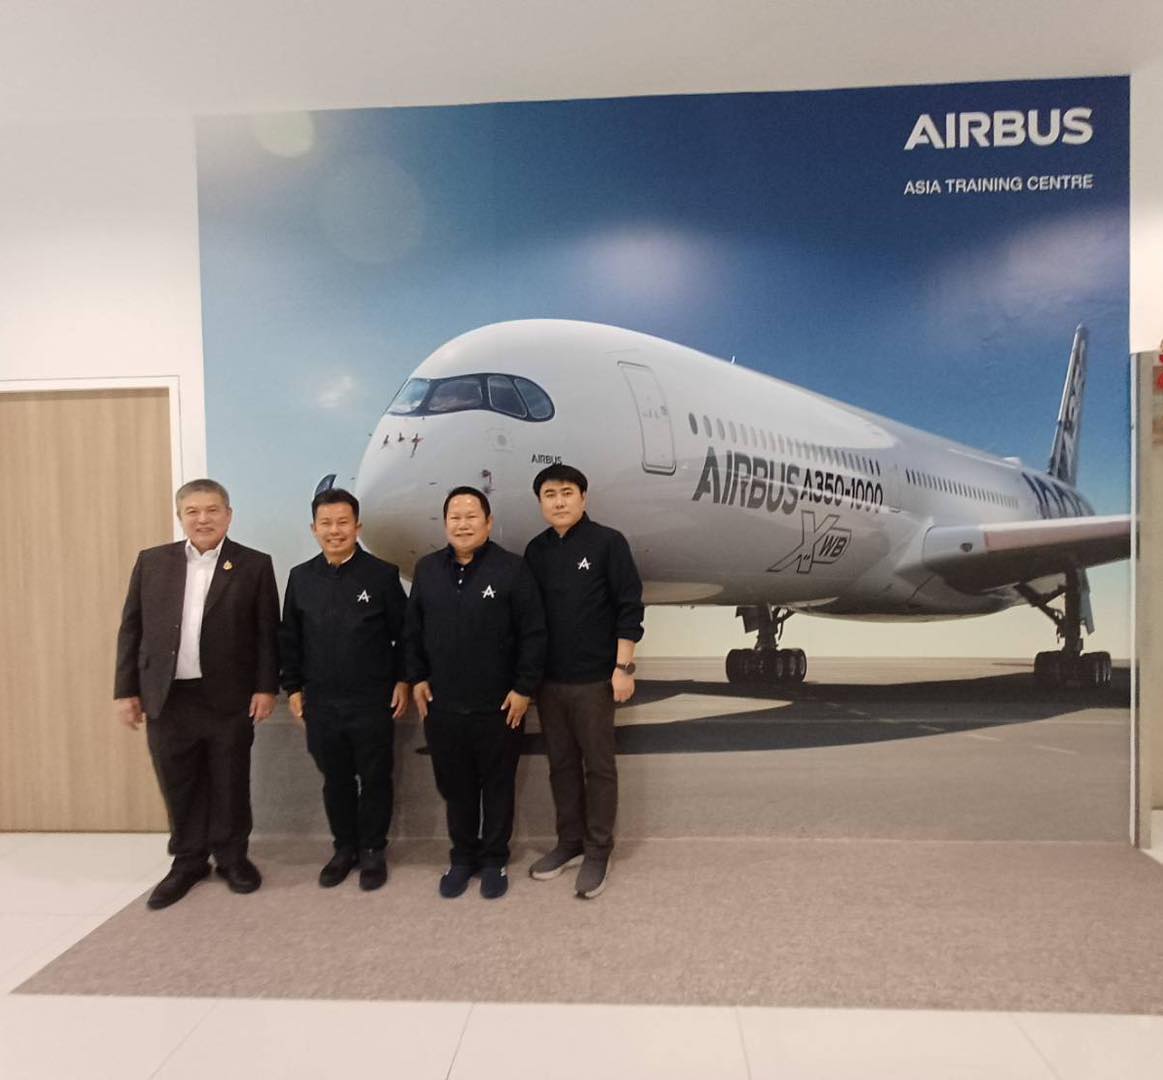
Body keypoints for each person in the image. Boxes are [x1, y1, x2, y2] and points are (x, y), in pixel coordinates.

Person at [114, 479, 279, 909]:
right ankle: (188, 861)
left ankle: (232, 858)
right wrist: (126, 690)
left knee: (230, 780)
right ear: (180, 516)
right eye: (192, 511)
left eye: (212, 510)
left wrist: (266, 687)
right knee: (178, 782)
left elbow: (267, 633)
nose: (202, 519)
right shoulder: (153, 562)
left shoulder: (254, 565)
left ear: (228, 515)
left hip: (229, 696)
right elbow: (132, 628)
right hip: (168, 697)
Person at [405, 486, 545, 899]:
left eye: (471, 516)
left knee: (498, 787)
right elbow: (412, 631)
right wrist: (417, 677)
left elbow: (533, 634)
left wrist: (523, 689)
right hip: (443, 706)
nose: (463, 524)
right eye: (455, 517)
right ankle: (462, 858)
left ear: (488, 522)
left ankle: (494, 859)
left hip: (500, 706)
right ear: (445, 523)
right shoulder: (427, 570)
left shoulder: (512, 569)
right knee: (456, 788)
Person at [279, 488, 409, 890]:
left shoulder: (382, 574)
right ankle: (344, 848)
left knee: (375, 778)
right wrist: (293, 688)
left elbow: (406, 634)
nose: (334, 531)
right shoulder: (301, 577)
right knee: (335, 779)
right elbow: (290, 638)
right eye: (326, 523)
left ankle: (372, 850)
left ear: (357, 527)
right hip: (321, 701)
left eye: (342, 522)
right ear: (314, 529)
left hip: (372, 699)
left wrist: (403, 680)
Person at [524, 464, 644, 899]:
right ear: (541, 502)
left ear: (583, 498)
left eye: (567, 493)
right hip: (549, 682)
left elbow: (629, 607)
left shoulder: (608, 543)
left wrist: (623, 668)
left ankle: (598, 850)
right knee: (561, 766)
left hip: (596, 681)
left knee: (598, 767)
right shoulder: (535, 551)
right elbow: (529, 619)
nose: (559, 501)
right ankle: (569, 842)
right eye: (550, 494)